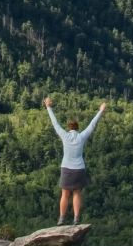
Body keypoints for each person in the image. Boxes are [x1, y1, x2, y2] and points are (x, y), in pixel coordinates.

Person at [44, 95, 106, 226]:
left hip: (66, 168)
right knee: (77, 193)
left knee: (65, 194)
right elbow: (92, 124)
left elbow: (54, 123)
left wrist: (48, 107)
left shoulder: (65, 136)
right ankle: (76, 219)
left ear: (69, 128)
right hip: (79, 169)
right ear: (77, 128)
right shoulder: (81, 137)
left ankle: (61, 219)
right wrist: (101, 110)